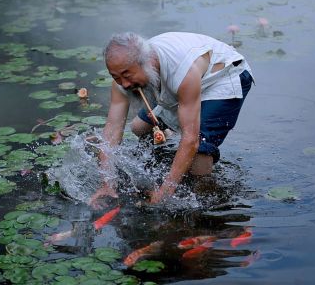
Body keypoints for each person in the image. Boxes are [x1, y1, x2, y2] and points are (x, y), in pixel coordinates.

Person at [90, 31, 253, 208]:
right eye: (116, 77)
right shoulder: (125, 78)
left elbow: (191, 139)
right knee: (138, 127)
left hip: (221, 77)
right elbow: (112, 129)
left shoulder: (182, 71)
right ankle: (166, 137)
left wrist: (165, 192)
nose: (125, 84)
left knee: (198, 155)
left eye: (127, 75)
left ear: (147, 63)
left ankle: (204, 199)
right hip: (181, 86)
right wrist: (107, 184)